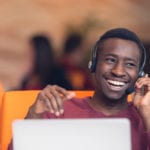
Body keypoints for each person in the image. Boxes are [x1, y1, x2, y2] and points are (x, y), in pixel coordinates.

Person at [8, 28, 150, 150]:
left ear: (139, 74)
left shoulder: (144, 118)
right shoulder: (58, 109)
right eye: (110, 60)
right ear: (93, 65)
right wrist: (34, 114)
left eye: (130, 64)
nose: (118, 71)